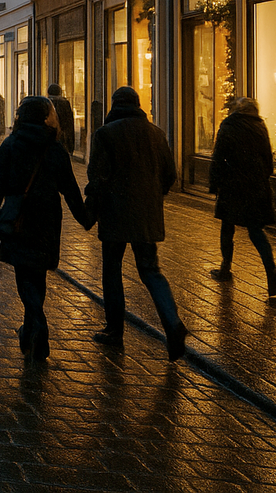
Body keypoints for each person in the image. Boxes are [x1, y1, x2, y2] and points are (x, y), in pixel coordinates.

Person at [0, 97, 89, 361]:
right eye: (52, 114)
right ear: (44, 118)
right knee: (37, 276)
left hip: (18, 220)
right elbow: (71, 190)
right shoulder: (55, 149)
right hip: (46, 221)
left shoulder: (11, 145)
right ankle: (30, 332)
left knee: (25, 276)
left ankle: (37, 325)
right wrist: (86, 216)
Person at [85, 86, 188, 361]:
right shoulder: (157, 134)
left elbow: (97, 176)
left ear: (114, 105)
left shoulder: (105, 134)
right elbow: (170, 175)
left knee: (112, 270)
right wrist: (152, 196)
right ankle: (173, 322)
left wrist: (93, 205)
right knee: (150, 270)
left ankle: (114, 330)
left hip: (115, 213)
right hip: (146, 215)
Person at [209, 97, 276, 297]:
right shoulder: (260, 126)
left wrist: (214, 183)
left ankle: (225, 267)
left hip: (232, 184)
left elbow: (218, 157)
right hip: (256, 185)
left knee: (227, 226)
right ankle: (271, 270)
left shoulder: (229, 125)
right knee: (255, 230)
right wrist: (262, 178)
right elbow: (268, 158)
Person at [47, 84, 76, 155]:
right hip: (62, 137)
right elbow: (70, 124)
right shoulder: (65, 103)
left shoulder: (46, 103)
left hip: (49, 137)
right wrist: (71, 145)